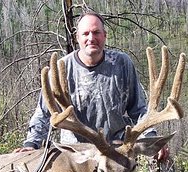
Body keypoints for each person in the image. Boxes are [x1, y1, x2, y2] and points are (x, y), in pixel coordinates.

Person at [14, 11, 169, 160]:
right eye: (86, 33)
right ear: (77, 38)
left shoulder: (121, 63)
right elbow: (43, 113)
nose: (91, 38)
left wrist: (151, 139)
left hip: (115, 152)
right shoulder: (60, 69)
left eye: (96, 33)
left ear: (105, 35)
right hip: (76, 154)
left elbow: (138, 109)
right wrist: (31, 144)